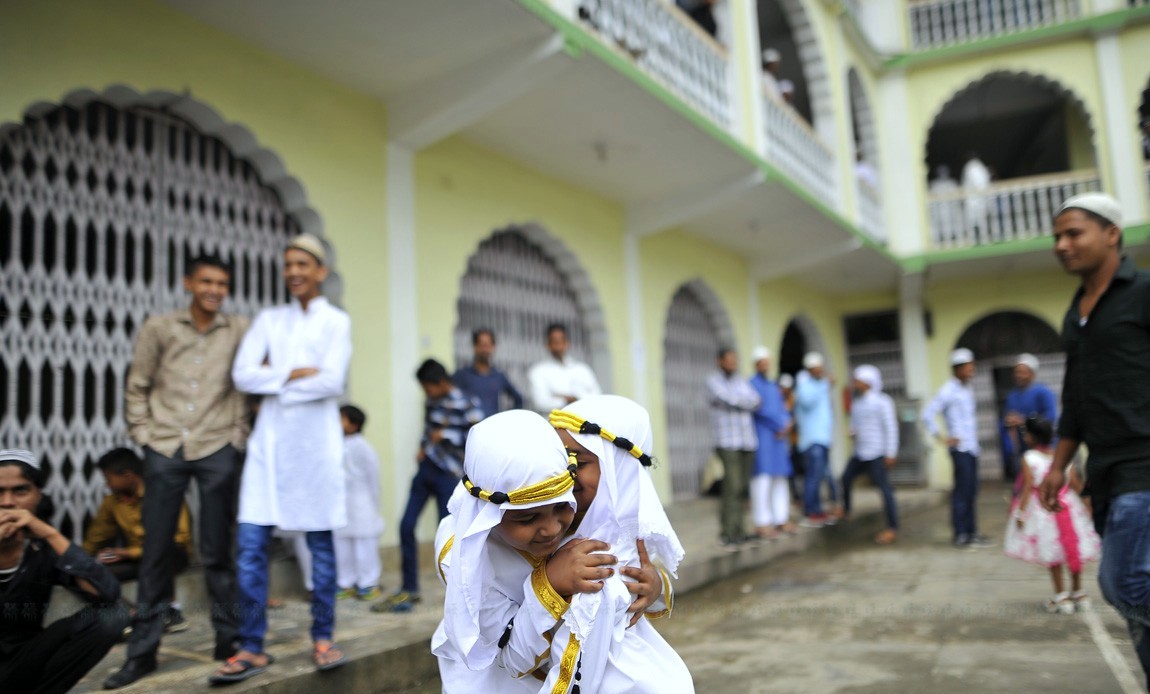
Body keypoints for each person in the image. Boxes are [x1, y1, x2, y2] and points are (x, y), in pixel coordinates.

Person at [105, 254, 250, 689]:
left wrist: (237, 435)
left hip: (217, 443)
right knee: (156, 551)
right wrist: (143, 433)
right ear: (189, 282)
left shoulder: (239, 329)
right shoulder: (159, 327)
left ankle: (229, 641)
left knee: (218, 549)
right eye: (206, 281)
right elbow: (138, 382)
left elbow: (249, 378)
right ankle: (142, 652)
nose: (213, 289)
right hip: (165, 445)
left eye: (221, 283)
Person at [215, 233, 352, 683]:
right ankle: (251, 646)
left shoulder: (336, 321)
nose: (293, 271)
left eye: (302, 264)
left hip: (314, 448)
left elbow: (332, 383)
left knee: (320, 548)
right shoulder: (270, 320)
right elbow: (242, 374)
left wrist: (272, 381)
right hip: (270, 447)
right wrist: (293, 373)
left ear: (320, 272)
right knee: (251, 547)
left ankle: (323, 637)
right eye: (288, 264)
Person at [1039, 192, 1150, 686]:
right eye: (1057, 236)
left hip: (1144, 463)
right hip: (1103, 471)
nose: (1062, 245)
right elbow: (1075, 395)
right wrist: (1058, 464)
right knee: (1137, 615)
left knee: (1121, 581)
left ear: (1112, 234)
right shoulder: (1075, 312)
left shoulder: (1143, 292)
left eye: (1074, 232)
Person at [542, 396, 692, 693]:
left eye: (579, 462)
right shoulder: (547, 520)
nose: (567, 474)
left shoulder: (622, 541)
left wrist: (655, 587)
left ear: (617, 468)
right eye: (562, 460)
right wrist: (548, 580)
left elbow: (638, 579)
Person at [430, 410, 586, 691]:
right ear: (489, 512)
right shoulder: (461, 558)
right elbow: (512, 658)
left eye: (562, 506)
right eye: (527, 518)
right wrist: (549, 585)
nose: (551, 529)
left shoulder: (577, 501)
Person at [0, 449, 128, 693]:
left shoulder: (43, 548)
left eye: (20, 490)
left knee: (112, 616)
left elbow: (107, 593)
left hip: (23, 657)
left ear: (38, 495)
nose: (7, 502)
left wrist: (50, 533)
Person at [375, 359, 483, 614]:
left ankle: (456, 594)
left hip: (450, 475)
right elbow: (428, 428)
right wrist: (424, 447)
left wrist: (445, 436)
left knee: (447, 535)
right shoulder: (431, 401)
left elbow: (478, 439)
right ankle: (410, 588)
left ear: (440, 382)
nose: (426, 393)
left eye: (427, 388)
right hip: (427, 470)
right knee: (406, 525)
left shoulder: (468, 403)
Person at [83, 448, 191, 630]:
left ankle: (172, 613)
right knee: (91, 575)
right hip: (137, 560)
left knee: (161, 554)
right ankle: (129, 614)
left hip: (172, 555)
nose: (107, 485)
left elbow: (180, 538)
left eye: (109, 479)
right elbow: (97, 537)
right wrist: (77, 560)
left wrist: (127, 553)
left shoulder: (163, 493)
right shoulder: (112, 502)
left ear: (128, 475)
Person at [1006, 417, 1100, 614]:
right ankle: (1079, 593)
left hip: (1044, 510)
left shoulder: (1029, 457)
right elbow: (1075, 483)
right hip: (1069, 507)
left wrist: (1021, 513)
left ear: (1031, 437)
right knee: (1073, 548)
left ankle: (1061, 597)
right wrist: (1088, 506)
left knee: (1053, 554)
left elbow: (1028, 487)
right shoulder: (1062, 457)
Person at [923, 347, 993, 548]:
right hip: (960, 449)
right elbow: (928, 414)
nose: (972, 370)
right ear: (958, 368)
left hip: (972, 448)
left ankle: (972, 532)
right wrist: (942, 437)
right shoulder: (948, 390)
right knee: (962, 492)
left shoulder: (966, 389)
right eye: (969, 367)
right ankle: (961, 534)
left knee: (971, 490)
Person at [706, 347, 760, 549]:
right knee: (733, 486)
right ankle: (727, 532)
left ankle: (741, 531)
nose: (732, 364)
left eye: (734, 360)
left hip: (747, 441)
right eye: (728, 360)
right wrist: (744, 402)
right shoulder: (713, 381)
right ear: (720, 361)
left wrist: (743, 401)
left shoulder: (741, 381)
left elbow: (755, 401)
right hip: (727, 442)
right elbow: (728, 399)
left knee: (743, 489)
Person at [840, 366, 900, 545]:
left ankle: (892, 528)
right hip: (860, 453)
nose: (854, 384)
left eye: (857, 381)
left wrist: (890, 453)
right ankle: (847, 509)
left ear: (867, 382)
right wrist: (853, 432)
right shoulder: (858, 404)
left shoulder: (883, 401)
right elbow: (856, 426)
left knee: (885, 490)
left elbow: (891, 427)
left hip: (878, 453)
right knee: (845, 478)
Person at [334, 405, 384, 601]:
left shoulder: (364, 447)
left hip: (362, 501)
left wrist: (375, 504)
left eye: (342, 419)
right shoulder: (336, 444)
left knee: (365, 545)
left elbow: (373, 478)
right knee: (342, 545)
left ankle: (368, 583)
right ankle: (345, 582)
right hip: (342, 503)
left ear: (354, 425)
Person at [748, 347, 794, 539]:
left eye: (768, 361)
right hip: (764, 436)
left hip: (778, 438)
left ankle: (780, 518)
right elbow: (761, 409)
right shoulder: (751, 384)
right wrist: (780, 424)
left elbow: (782, 408)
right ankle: (762, 522)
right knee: (762, 480)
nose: (766, 364)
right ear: (756, 364)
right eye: (762, 361)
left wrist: (787, 422)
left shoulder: (773, 385)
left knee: (779, 479)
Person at [1000, 353, 1058, 482]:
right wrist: (1008, 422)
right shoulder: (1012, 396)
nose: (1019, 375)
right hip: (1023, 447)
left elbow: (1050, 417)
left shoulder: (1043, 392)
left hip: (1043, 446)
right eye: (1016, 372)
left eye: (1023, 372)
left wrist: (1023, 420)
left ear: (1032, 373)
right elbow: (1006, 419)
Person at [795, 352, 837, 528]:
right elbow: (807, 402)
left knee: (819, 476)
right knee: (813, 476)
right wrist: (825, 385)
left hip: (823, 438)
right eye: (817, 367)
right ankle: (810, 511)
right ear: (811, 369)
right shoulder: (805, 385)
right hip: (812, 440)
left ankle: (818, 510)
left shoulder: (820, 385)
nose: (821, 370)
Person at [527, 323, 601, 415]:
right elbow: (541, 402)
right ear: (548, 345)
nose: (558, 346)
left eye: (561, 341)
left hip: (584, 422)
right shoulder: (538, 371)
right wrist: (569, 400)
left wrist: (569, 398)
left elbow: (596, 396)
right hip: (555, 425)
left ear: (567, 343)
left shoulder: (582, 369)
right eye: (555, 342)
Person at [452, 328, 523, 419]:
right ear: (475, 346)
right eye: (482, 345)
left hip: (491, 429)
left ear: (493, 347)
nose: (485, 349)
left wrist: (506, 419)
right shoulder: (463, 375)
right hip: (468, 429)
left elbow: (518, 399)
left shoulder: (499, 376)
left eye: (488, 345)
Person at [961, 152, 992, 240]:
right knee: (979, 221)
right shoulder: (980, 167)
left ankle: (975, 238)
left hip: (974, 198)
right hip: (979, 198)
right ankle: (981, 237)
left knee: (973, 221)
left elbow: (979, 184)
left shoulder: (971, 167)